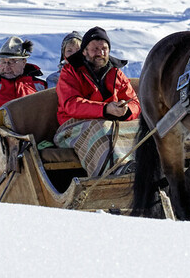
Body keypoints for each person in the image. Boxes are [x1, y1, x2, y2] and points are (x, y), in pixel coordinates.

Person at [54, 26, 140, 176]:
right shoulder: (70, 72)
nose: (100, 53)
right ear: (85, 51)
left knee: (143, 127)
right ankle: (113, 173)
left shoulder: (116, 73)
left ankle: (146, 170)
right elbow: (71, 104)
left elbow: (134, 102)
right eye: (94, 49)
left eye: (104, 49)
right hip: (72, 125)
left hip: (111, 123)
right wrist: (105, 109)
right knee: (100, 129)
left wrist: (126, 110)